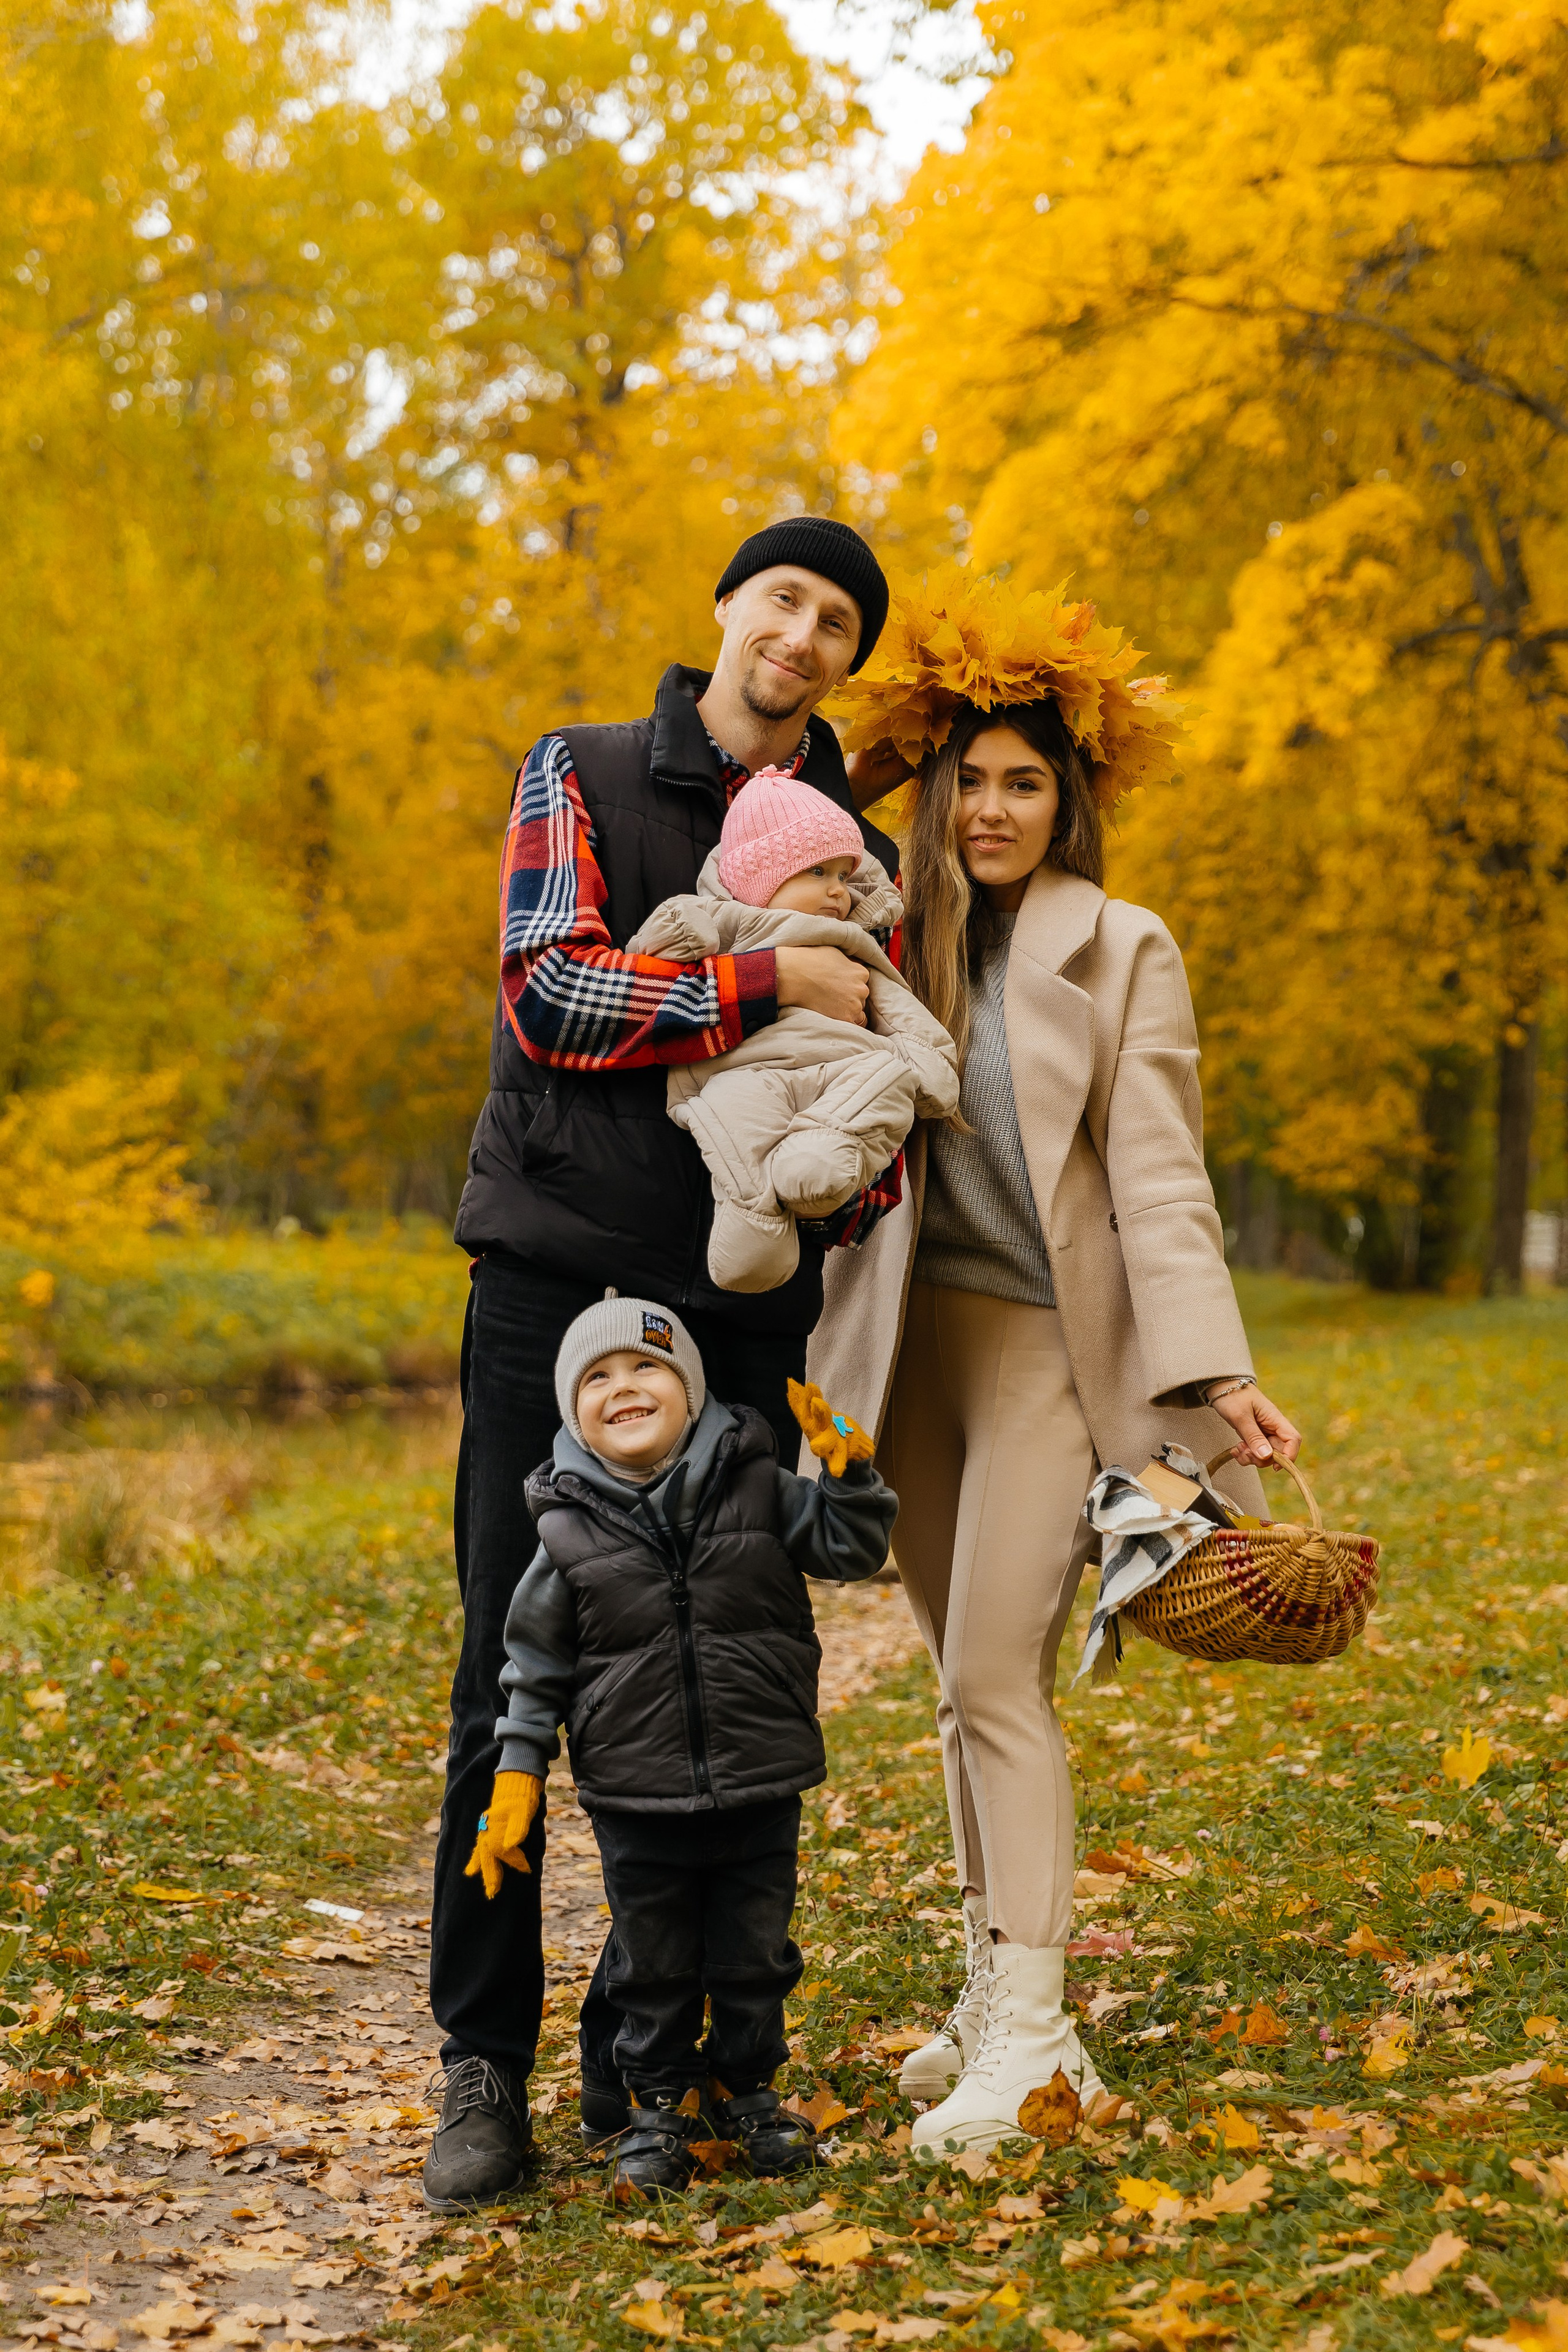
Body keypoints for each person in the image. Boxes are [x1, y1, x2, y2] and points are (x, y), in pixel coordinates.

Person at [424, 517, 900, 2212]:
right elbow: (551, 992)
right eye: (785, 596)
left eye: (838, 619)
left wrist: (847, 1174)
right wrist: (755, 972)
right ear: (725, 608)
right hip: (553, 1270)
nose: (804, 632)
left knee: (715, 1668)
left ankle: (677, 2061)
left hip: (740, 1304)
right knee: (512, 1671)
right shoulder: (586, 768)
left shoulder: (863, 848)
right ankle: (478, 2063)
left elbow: (879, 1074)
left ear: (848, 659)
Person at [809, 566, 1304, 2156]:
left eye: (1029, 783)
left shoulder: (1123, 948)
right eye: (975, 782)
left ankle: (1034, 2032)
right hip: (906, 1347)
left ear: (1069, 801)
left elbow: (1160, 1177)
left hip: (1040, 1353)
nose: (997, 809)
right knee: (958, 1687)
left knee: (999, 1678)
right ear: (939, 793)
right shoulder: (887, 935)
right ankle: (987, 1988)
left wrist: (1215, 1373)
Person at [461, 1293, 897, 2196]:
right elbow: (532, 1669)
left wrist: (851, 1471)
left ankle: (748, 2093)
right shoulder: (563, 1531)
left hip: (761, 1773)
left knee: (754, 1952)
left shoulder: (759, 1483)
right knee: (652, 1961)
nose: (624, 1386)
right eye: (597, 1378)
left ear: (692, 1391)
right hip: (634, 1793)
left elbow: (851, 1550)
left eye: (647, 1368)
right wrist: (515, 1778)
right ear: (571, 1410)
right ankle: (652, 2104)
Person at [625, 767, 959, 1293]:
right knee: (735, 1127)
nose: (837, 893)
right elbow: (659, 951)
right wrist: (676, 930)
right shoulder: (729, 921)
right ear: (762, 879)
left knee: (889, 1079)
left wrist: (927, 1059)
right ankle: (753, 1224)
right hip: (743, 1073)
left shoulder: (849, 941)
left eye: (844, 877)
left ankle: (825, 1147)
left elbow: (894, 1004)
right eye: (817, 873)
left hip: (841, 1073)